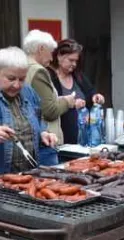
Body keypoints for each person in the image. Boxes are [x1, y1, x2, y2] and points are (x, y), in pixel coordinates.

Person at [0, 46, 57, 240]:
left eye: (21, 79)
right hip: (2, 179)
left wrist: (43, 132)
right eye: (11, 78)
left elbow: (39, 119)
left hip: (28, 179)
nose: (17, 84)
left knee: (26, 236)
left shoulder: (29, 93)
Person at [23, 30, 83, 165]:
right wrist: (68, 101)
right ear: (41, 49)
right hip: (46, 141)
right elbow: (49, 111)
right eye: (50, 52)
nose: (51, 58)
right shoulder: (38, 71)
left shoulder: (21, 67)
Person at [48, 39, 105, 144]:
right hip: (61, 139)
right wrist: (71, 105)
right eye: (71, 60)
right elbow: (50, 108)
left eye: (76, 61)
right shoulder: (50, 78)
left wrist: (96, 97)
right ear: (59, 56)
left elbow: (91, 92)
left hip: (84, 138)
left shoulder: (78, 76)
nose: (74, 64)